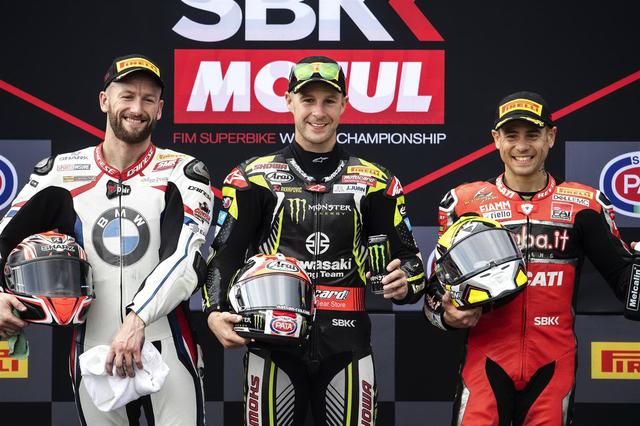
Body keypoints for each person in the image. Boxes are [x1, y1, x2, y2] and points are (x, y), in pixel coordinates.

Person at [203, 55, 426, 425]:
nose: (318, 112)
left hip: (348, 343)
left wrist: (405, 283)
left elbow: (413, 263)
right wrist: (213, 312)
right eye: (308, 100)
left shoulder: (377, 183)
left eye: (328, 101)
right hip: (273, 342)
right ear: (289, 101)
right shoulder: (253, 178)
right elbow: (223, 255)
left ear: (344, 105)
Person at [0, 54, 212, 425]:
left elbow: (185, 258)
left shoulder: (183, 171)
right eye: (127, 96)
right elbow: (4, 239)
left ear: (160, 109)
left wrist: (137, 319)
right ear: (104, 101)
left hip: (167, 348)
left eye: (148, 99)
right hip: (92, 351)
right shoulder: (59, 173)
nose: (137, 108)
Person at [424, 91, 640, 425]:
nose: (522, 146)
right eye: (511, 135)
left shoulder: (584, 205)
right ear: (496, 139)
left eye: (533, 135)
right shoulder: (465, 203)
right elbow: (435, 296)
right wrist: (446, 315)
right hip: (486, 358)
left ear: (551, 137)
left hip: (553, 361)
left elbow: (626, 281)